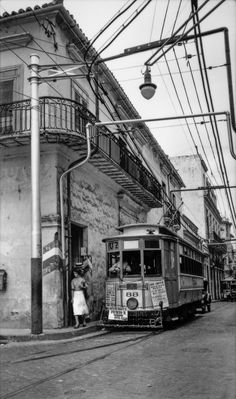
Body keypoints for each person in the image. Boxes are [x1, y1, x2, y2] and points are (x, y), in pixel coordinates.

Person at [82, 255, 94, 320]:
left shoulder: (87, 274)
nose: (84, 257)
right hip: (87, 285)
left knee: (87, 298)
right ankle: (86, 315)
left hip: (87, 286)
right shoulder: (87, 274)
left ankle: (86, 315)